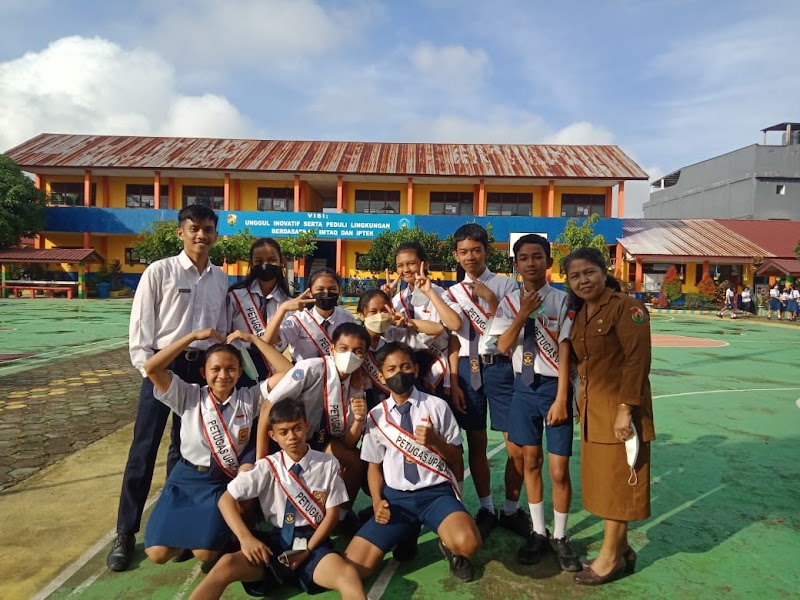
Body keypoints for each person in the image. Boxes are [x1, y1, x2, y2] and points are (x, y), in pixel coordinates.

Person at [107, 205, 229, 572]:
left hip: (201, 370)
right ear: (180, 232)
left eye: (208, 229)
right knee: (143, 450)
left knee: (186, 451)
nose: (201, 236)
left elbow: (220, 328)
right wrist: (150, 371)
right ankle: (125, 533)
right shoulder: (159, 272)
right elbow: (141, 334)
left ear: (215, 234)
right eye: (194, 228)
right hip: (163, 366)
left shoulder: (221, 278)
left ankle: (177, 527)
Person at [189, 399, 366, 600]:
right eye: (283, 432)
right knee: (226, 565)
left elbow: (333, 515)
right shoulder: (267, 466)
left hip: (311, 542)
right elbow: (225, 499)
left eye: (297, 428)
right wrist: (246, 539)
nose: (292, 437)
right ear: (273, 435)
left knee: (348, 574)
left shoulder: (327, 463)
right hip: (274, 544)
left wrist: (307, 550)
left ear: (307, 426)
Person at [141, 328, 285, 565]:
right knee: (157, 555)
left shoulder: (250, 398)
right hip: (184, 479)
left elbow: (288, 372)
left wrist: (254, 339)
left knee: (205, 555)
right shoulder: (188, 395)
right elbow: (151, 368)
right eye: (215, 369)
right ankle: (196, 531)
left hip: (219, 481)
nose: (223, 375)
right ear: (203, 372)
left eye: (231, 369)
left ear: (240, 372)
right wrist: (191, 337)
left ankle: (214, 534)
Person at [344, 342, 482, 582]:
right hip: (397, 499)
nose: (399, 373)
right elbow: (374, 466)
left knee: (468, 544)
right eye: (392, 369)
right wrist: (377, 501)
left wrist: (435, 441)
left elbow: (456, 457)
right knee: (355, 567)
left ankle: (450, 548)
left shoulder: (437, 406)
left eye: (406, 367)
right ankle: (406, 530)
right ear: (381, 376)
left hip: (436, 495)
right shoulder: (376, 416)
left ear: (416, 370)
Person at [562, 247, 655, 586]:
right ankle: (624, 548)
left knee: (618, 485)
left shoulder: (628, 309)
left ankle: (610, 557)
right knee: (606, 484)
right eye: (575, 276)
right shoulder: (582, 313)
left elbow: (636, 362)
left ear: (604, 272)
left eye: (589, 272)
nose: (582, 280)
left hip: (619, 413)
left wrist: (624, 410)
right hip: (593, 411)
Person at [491, 234, 581, 571]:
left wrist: (562, 397)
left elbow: (568, 351)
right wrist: (522, 314)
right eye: (524, 258)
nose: (531, 263)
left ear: (548, 261)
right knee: (530, 461)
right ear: (516, 264)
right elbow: (501, 346)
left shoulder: (563, 301)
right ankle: (538, 531)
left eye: (537, 256)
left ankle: (560, 535)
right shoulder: (510, 302)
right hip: (523, 388)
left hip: (554, 389)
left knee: (558, 469)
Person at [446, 223, 529, 540]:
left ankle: (511, 509)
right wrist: (454, 380)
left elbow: (515, 330)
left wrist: (492, 301)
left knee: (516, 446)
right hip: (468, 369)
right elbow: (453, 340)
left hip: (502, 369)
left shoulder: (507, 285)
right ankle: (486, 508)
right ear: (456, 255)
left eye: (476, 250)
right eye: (464, 252)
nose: (470, 257)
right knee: (475, 443)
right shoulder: (452, 293)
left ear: (487, 251)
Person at [257, 322, 371, 529]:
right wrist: (260, 458)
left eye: (357, 351)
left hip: (318, 438)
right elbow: (267, 407)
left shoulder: (356, 384)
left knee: (354, 459)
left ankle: (343, 515)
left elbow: (347, 441)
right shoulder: (310, 369)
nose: (350, 356)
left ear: (364, 356)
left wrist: (360, 419)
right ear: (332, 349)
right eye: (344, 349)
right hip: (286, 436)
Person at [382, 242, 463, 393]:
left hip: (433, 365)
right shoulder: (397, 299)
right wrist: (383, 299)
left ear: (424, 265)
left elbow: (455, 325)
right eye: (400, 265)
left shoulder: (439, 294)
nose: (405, 270)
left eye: (411, 263)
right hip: (405, 366)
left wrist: (430, 293)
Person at [226, 237, 291, 385]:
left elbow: (281, 339)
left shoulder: (288, 303)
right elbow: (224, 332)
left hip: (273, 369)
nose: (265, 265)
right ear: (252, 263)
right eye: (259, 261)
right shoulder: (236, 296)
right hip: (239, 365)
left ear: (282, 262)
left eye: (272, 259)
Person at [264, 268, 355, 361]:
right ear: (310, 293)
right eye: (320, 289)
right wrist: (282, 309)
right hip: (304, 373)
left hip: (335, 373)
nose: (326, 293)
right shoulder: (299, 319)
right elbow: (269, 340)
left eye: (332, 289)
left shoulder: (347, 318)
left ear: (339, 291)